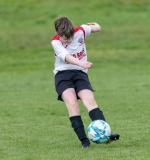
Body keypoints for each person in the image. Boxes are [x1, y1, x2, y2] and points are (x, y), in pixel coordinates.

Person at [51, 16, 120, 148]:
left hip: (80, 74)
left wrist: (95, 25)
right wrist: (82, 63)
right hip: (63, 74)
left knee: (90, 101)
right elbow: (66, 57)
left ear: (73, 30)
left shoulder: (80, 30)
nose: (69, 40)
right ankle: (84, 142)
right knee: (73, 104)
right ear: (57, 34)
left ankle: (105, 133)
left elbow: (97, 28)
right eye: (65, 38)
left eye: (71, 36)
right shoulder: (55, 42)